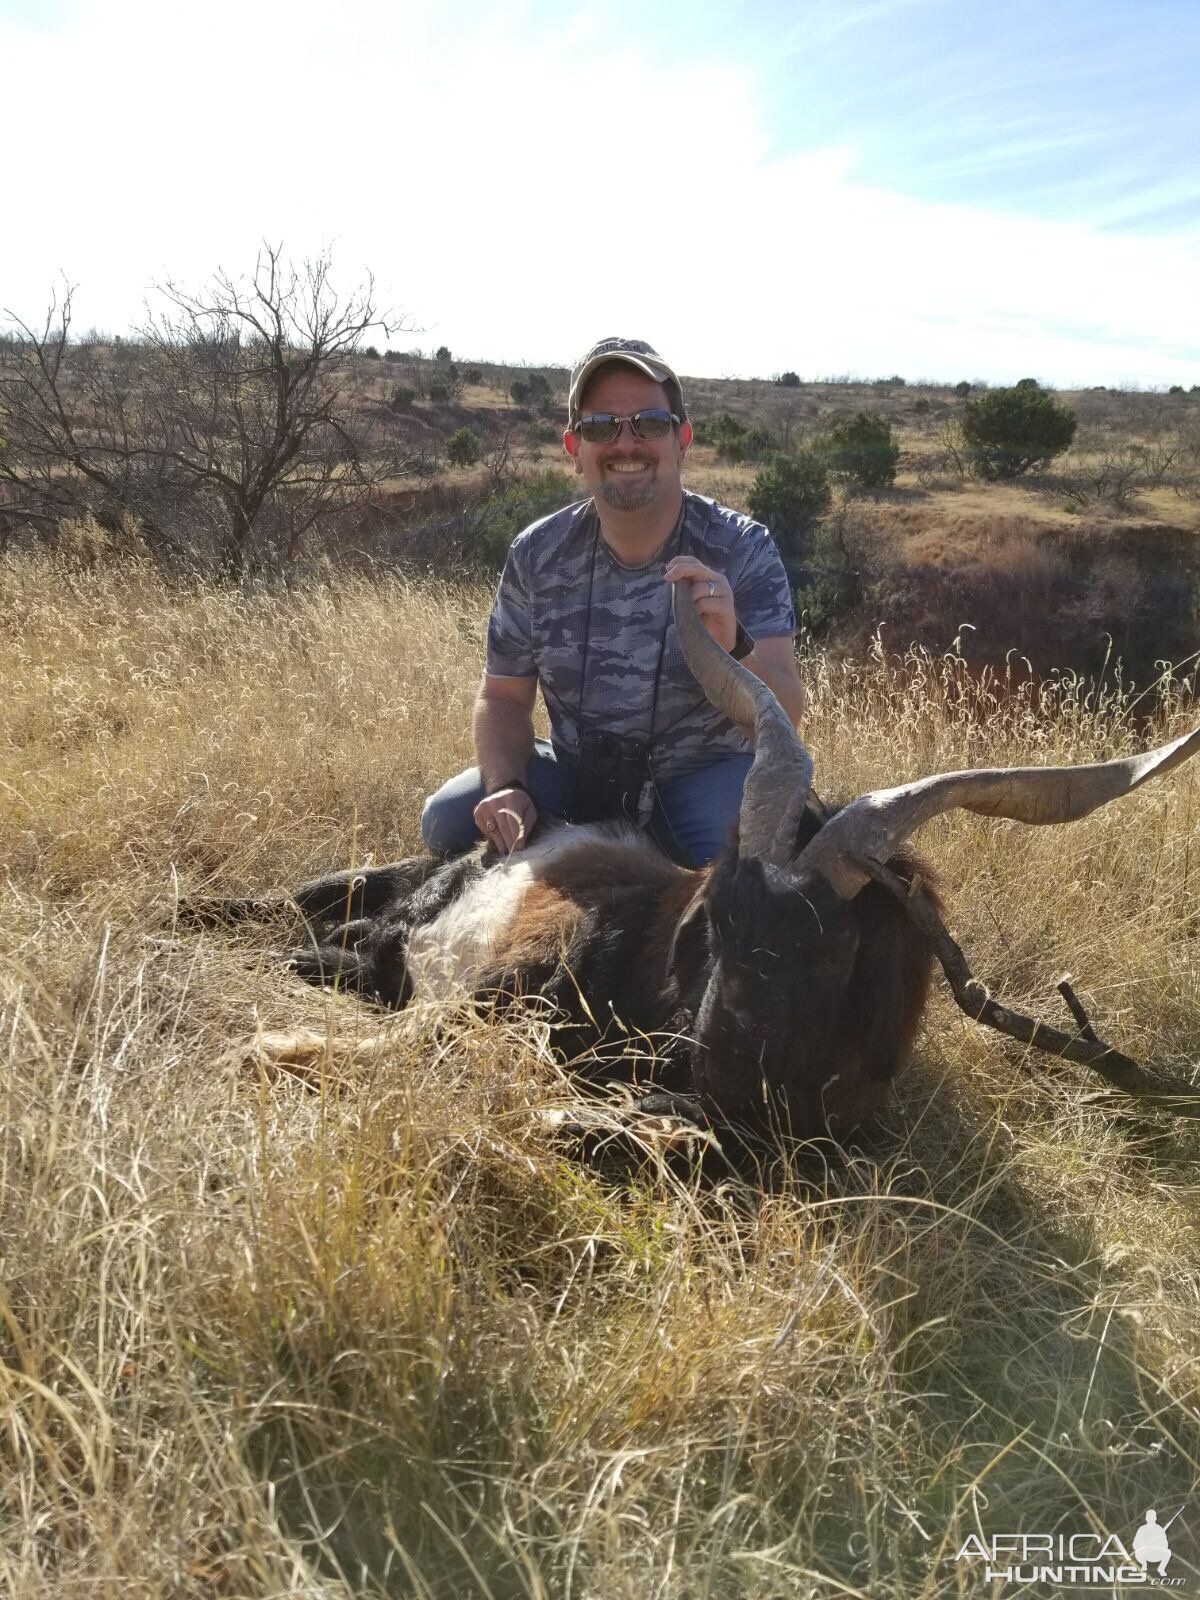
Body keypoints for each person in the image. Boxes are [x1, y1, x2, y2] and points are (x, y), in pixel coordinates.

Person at [420, 336, 805, 867]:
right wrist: (508, 786)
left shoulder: (743, 549)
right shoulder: (537, 554)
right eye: (602, 427)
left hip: (699, 782)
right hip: (579, 776)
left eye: (649, 423)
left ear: (682, 441)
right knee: (447, 818)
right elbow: (504, 698)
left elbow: (787, 715)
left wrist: (732, 647)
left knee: (751, 852)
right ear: (575, 450)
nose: (627, 444)